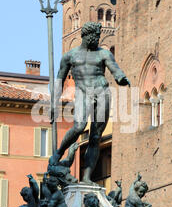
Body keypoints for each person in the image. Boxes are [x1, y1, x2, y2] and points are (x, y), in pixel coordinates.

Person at [52, 22, 130, 184]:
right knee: (79, 126)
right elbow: (59, 79)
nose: (96, 40)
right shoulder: (70, 56)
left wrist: (120, 78)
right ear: (84, 36)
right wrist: (54, 102)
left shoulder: (104, 54)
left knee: (95, 137)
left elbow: (115, 69)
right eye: (93, 37)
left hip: (102, 92)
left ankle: (87, 177)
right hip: (82, 93)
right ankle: (59, 153)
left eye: (98, 37)